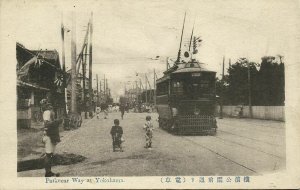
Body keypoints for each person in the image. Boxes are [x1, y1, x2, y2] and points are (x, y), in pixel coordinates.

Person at [42, 103, 62, 177]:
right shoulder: (47, 112)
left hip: (52, 135)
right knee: (48, 154)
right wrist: (57, 121)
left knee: (50, 155)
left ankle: (49, 171)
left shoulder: (49, 112)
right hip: (49, 135)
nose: (51, 107)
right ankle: (47, 172)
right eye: (50, 106)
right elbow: (46, 124)